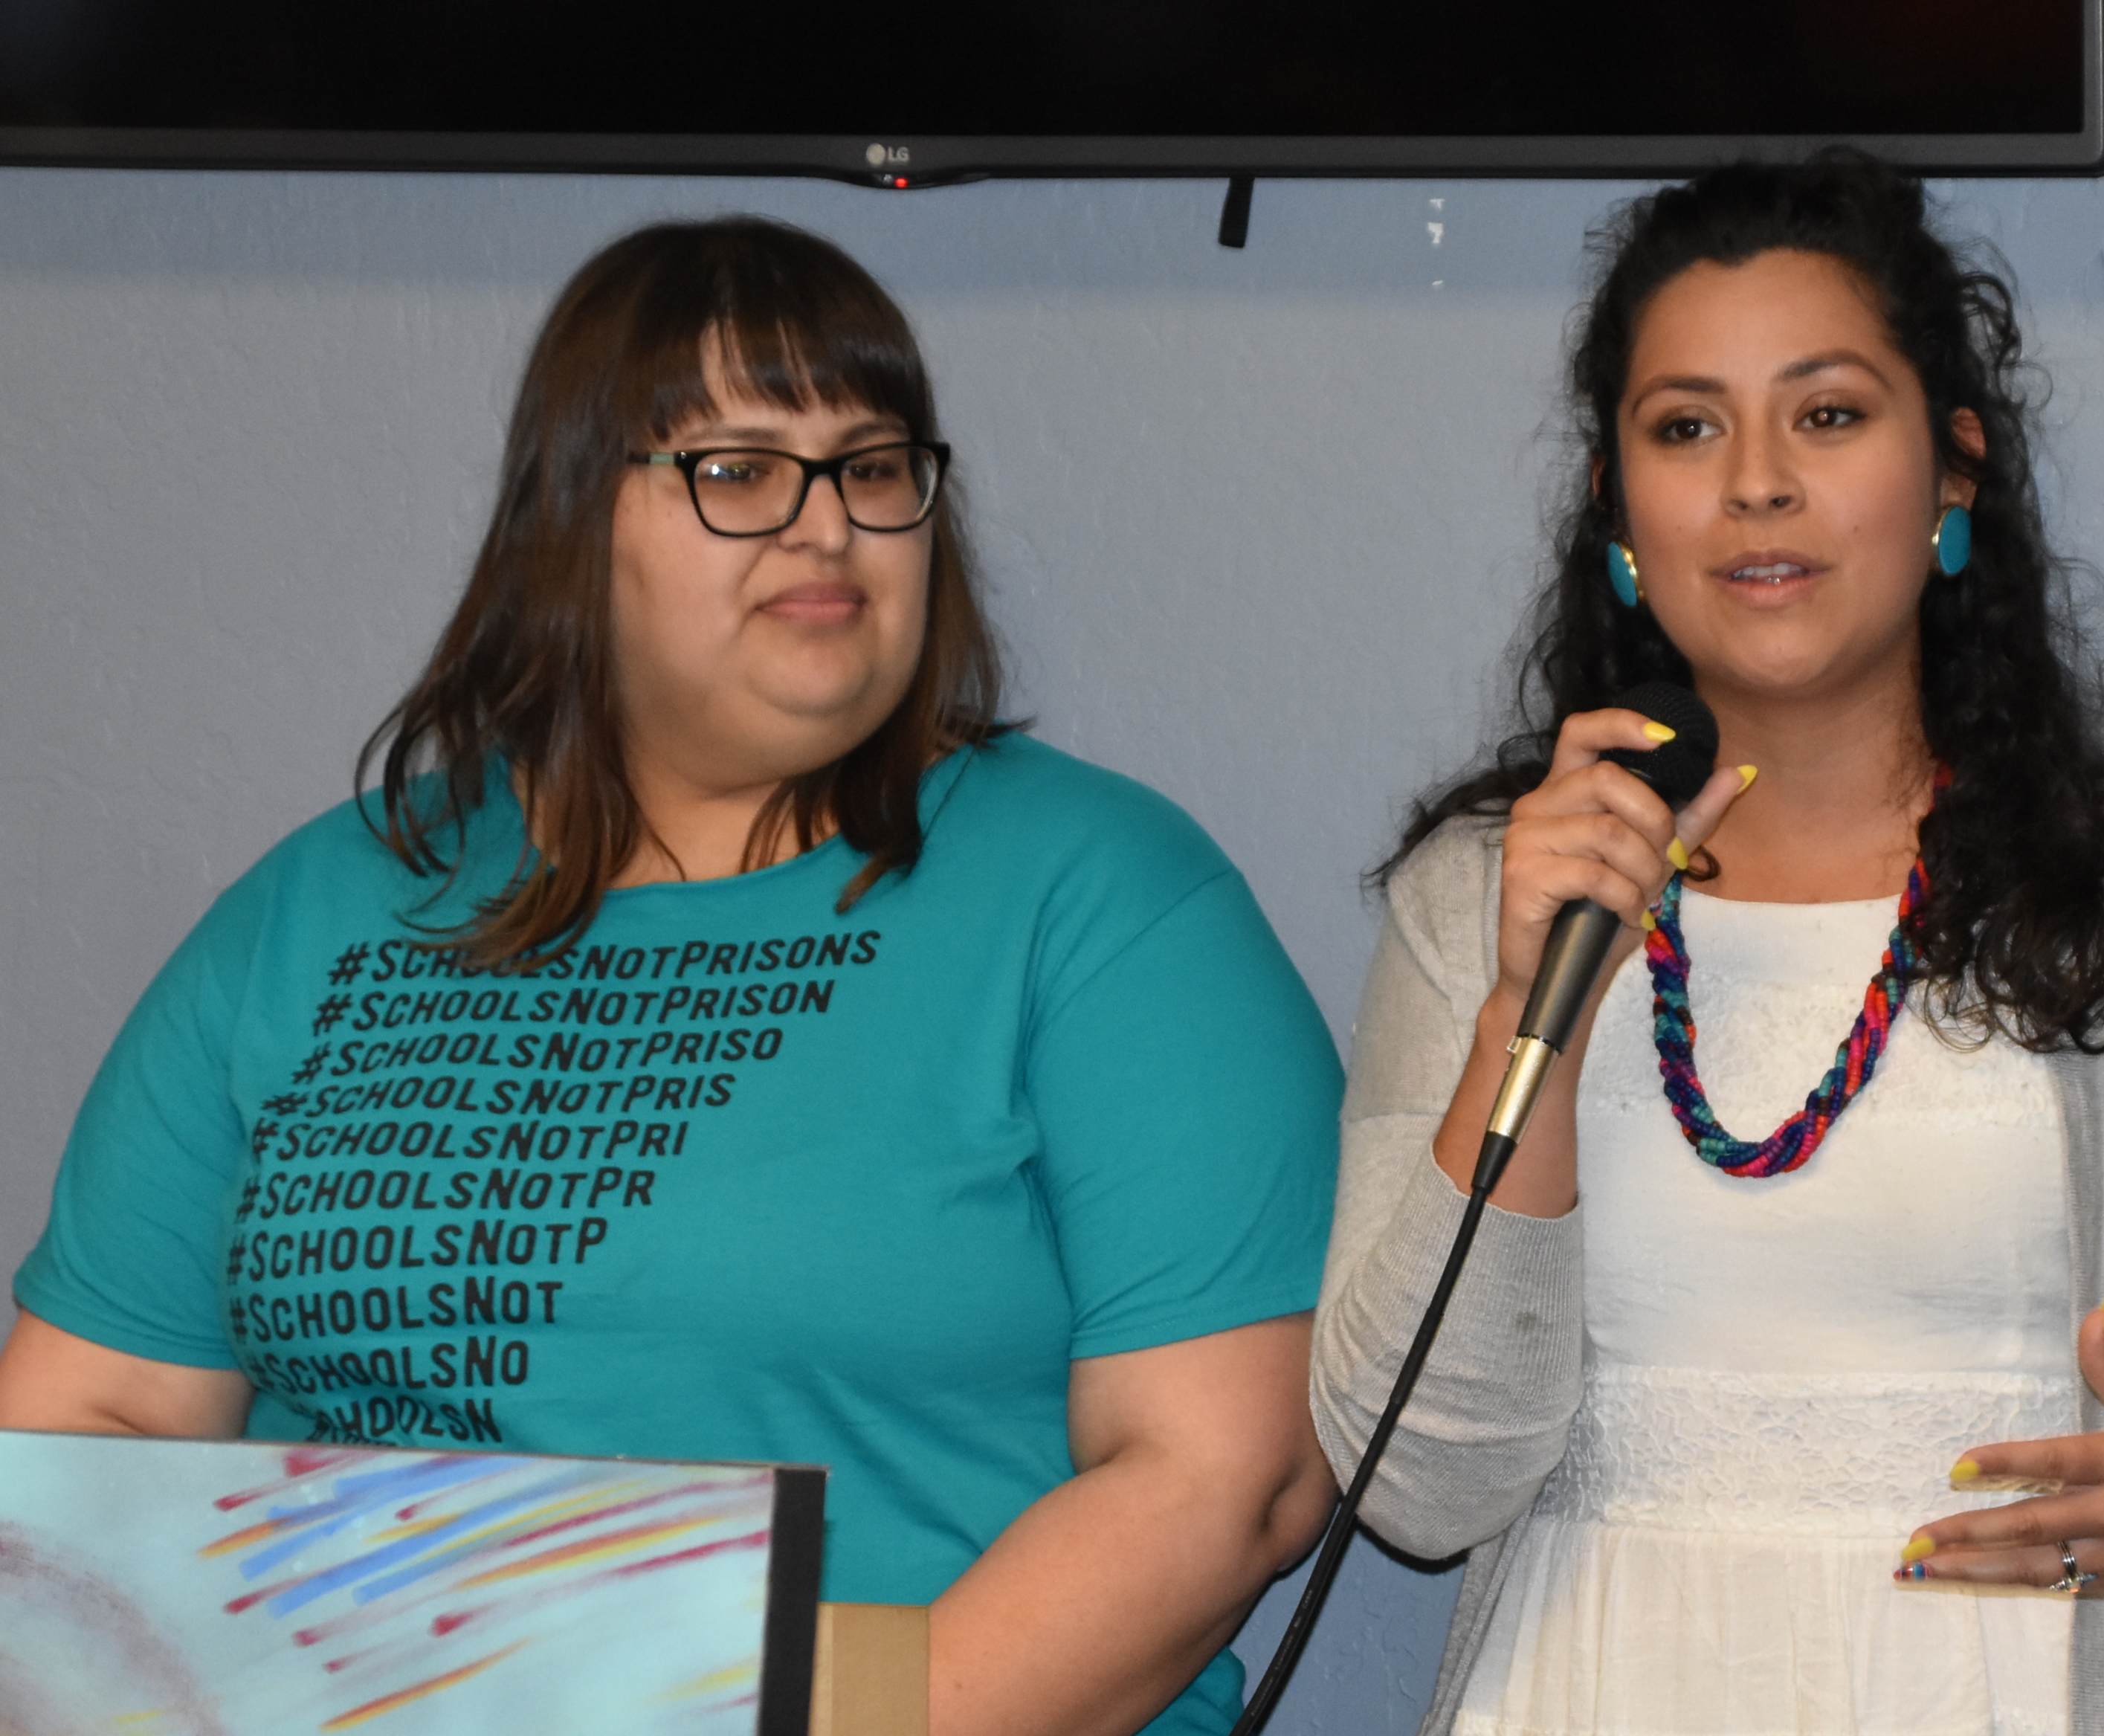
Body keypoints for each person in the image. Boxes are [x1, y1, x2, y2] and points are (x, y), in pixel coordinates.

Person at [0, 216, 1341, 1736]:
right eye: (738, 469)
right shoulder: (321, 905)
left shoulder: (1096, 894)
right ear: (574, 522)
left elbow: (1224, 1479)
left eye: (872, 467)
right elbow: (90, 1422)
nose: (824, 527)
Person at [1311, 158, 2104, 1735]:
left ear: (1952, 472)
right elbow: (1417, 1483)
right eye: (1685, 428)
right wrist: (1529, 1001)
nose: (1756, 484)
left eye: (1827, 414)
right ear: (1616, 510)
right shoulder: (1480, 900)